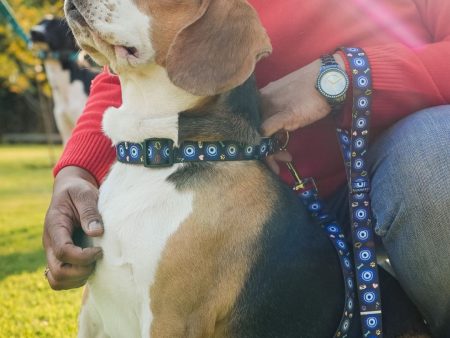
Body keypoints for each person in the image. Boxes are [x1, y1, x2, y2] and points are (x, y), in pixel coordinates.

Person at [43, 0, 450, 336]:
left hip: (401, 176)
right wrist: (75, 171)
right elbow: (146, 71)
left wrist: (344, 77)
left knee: (435, 153)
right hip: (259, 201)